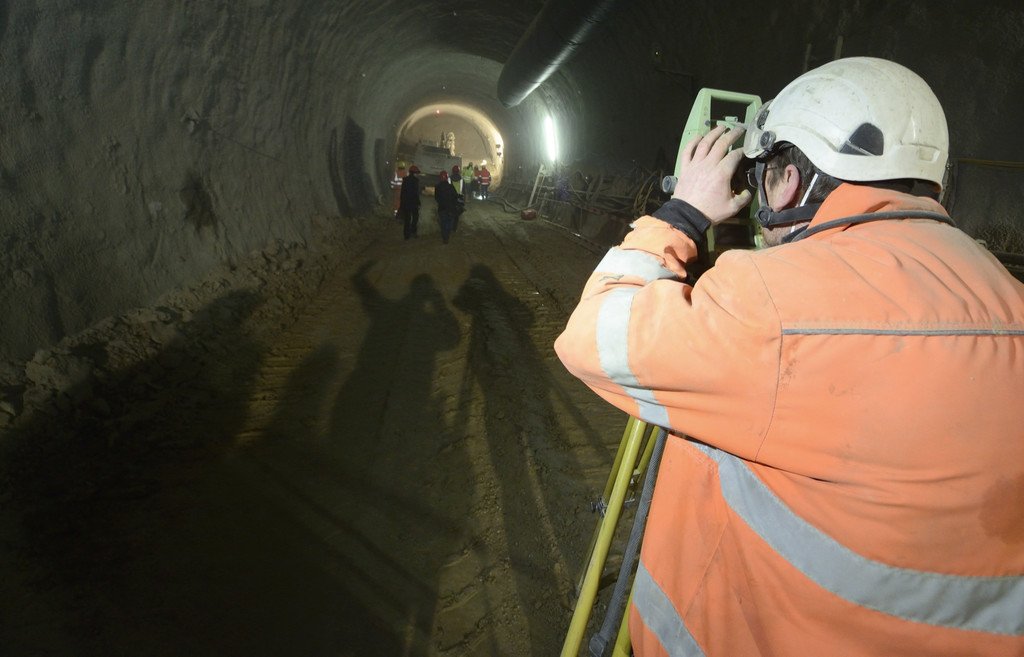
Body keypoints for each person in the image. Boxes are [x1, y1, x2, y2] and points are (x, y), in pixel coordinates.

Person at [555, 57, 1024, 656]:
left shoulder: (772, 310)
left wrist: (684, 214)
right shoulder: (1008, 297)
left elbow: (591, 334)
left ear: (788, 182)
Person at [433, 170, 460, 244]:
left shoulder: (437, 187)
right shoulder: (451, 186)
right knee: (449, 222)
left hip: (442, 208)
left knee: (443, 223)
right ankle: (447, 236)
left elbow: (436, 198)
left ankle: (445, 238)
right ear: (447, 178)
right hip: (450, 208)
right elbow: (455, 197)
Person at [399, 164, 421, 240]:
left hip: (406, 203)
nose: (417, 174)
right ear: (414, 173)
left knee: (407, 219)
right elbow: (416, 193)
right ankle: (413, 232)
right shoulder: (415, 181)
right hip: (413, 203)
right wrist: (418, 202)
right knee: (415, 218)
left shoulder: (405, 180)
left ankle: (406, 236)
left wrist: (402, 203)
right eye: (416, 173)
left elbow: (402, 192)